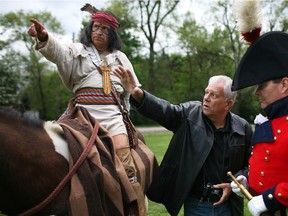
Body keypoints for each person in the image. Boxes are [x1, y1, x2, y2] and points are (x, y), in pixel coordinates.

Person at [27, 9, 146, 215]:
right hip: (83, 115)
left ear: (112, 35)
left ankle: (136, 210)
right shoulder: (77, 50)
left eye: (104, 29)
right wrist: (44, 37)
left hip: (113, 115)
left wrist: (127, 102)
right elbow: (58, 52)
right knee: (63, 155)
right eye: (96, 27)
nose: (99, 31)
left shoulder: (121, 58)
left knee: (128, 167)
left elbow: (132, 91)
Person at [114, 65, 253, 216]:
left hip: (230, 206)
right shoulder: (189, 114)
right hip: (196, 204)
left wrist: (233, 185)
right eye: (206, 92)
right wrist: (138, 93)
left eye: (213, 95)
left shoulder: (242, 127)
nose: (206, 97)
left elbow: (251, 164)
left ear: (228, 104)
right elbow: (165, 110)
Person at [230, 31, 288, 216]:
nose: (256, 92)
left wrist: (272, 197)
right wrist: (247, 180)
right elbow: (267, 163)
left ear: (284, 84)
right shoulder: (267, 121)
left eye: (262, 85)